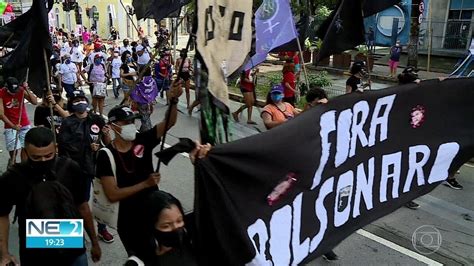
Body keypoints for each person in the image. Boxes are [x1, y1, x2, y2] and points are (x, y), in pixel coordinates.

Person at [96, 81, 182, 263]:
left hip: (154, 212)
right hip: (129, 220)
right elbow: (112, 194)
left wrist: (173, 101)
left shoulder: (143, 140)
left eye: (132, 121)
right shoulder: (106, 155)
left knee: (166, 253)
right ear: (112, 126)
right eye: (124, 122)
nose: (130, 125)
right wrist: (145, 184)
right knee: (141, 257)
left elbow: (169, 123)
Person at [0, 127, 102, 266]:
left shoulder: (70, 168)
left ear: (56, 148)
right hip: (35, 255)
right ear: (25, 152)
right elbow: (2, 215)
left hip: (73, 250)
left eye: (48, 156)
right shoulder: (13, 177)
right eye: (36, 157)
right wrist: (4, 253)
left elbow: (82, 207)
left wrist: (94, 242)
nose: (43, 160)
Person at [58, 90, 115, 243]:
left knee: (100, 200)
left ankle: (102, 229)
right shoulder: (67, 123)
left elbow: (108, 143)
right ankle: (78, 232)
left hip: (97, 167)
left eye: (82, 99)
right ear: (71, 103)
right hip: (78, 168)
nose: (80, 102)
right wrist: (87, 147)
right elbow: (64, 146)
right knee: (79, 202)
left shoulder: (96, 119)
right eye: (76, 100)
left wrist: (106, 134)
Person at [302, 87, 340, 261]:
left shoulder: (332, 116)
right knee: (309, 211)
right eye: (315, 104)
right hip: (306, 174)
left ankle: (325, 246)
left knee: (326, 211)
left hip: (326, 173)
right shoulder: (303, 119)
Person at [134, 190, 196, 265]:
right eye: (166, 226)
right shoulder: (141, 260)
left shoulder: (195, 238)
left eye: (179, 221)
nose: (175, 227)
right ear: (152, 227)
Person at [0, 77, 37, 165]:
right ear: (6, 87)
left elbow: (34, 102)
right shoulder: (1, 93)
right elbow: (1, 114)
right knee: (14, 150)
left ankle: (24, 167)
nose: (14, 93)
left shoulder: (21, 90)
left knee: (25, 148)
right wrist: (13, 126)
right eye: (12, 91)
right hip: (10, 125)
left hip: (24, 123)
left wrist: (27, 89)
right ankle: (13, 164)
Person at [130, 66, 158, 132]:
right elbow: (155, 90)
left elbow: (134, 92)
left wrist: (134, 99)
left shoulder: (140, 81)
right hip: (150, 101)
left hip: (142, 102)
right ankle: (143, 130)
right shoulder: (152, 81)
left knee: (145, 118)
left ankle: (148, 131)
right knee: (146, 116)